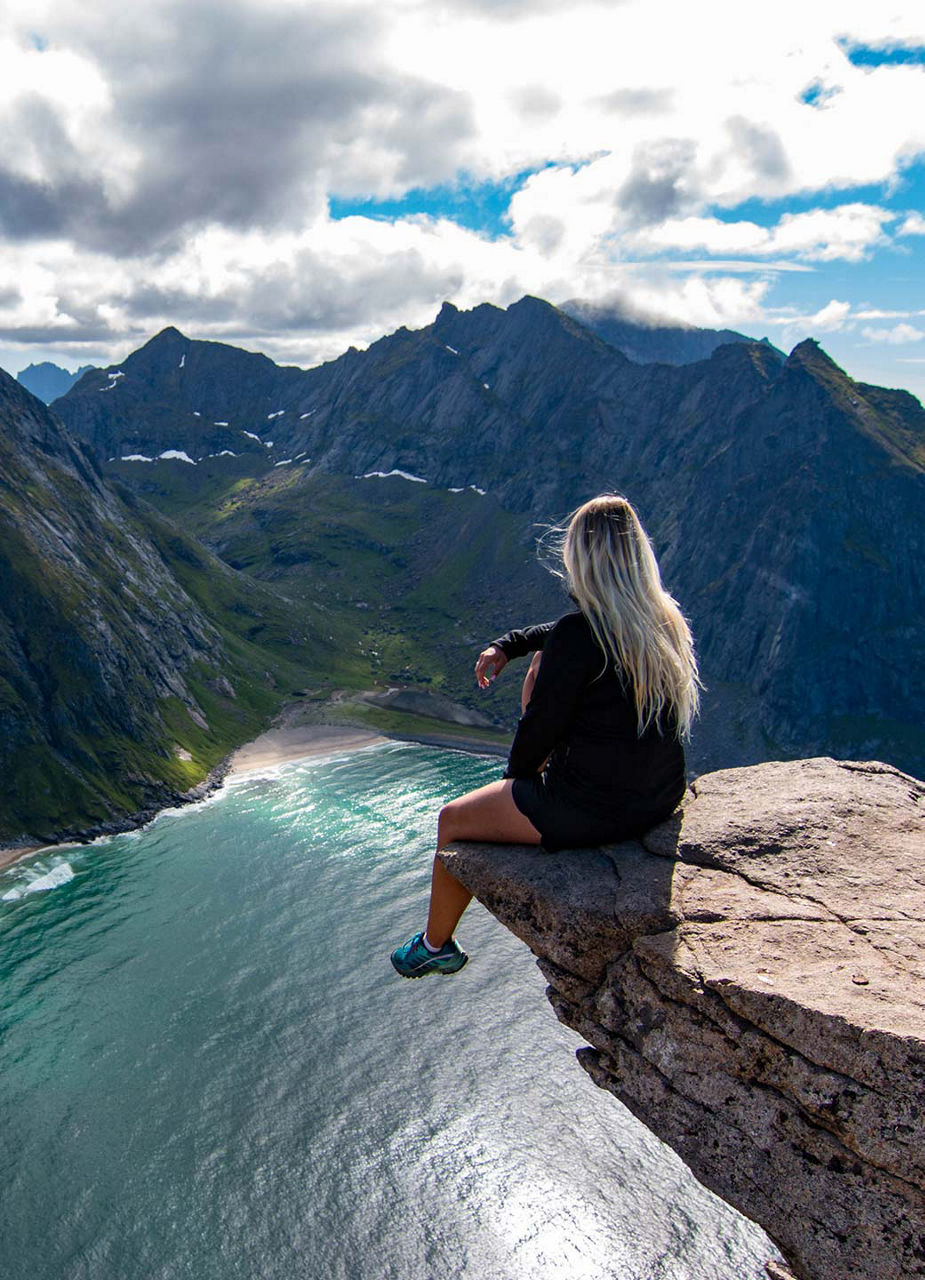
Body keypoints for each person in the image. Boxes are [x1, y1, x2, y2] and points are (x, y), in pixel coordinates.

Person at [390, 493, 700, 979]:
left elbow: (541, 727)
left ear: (581, 559)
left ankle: (435, 944)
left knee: (451, 819)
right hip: (659, 798)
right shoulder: (663, 621)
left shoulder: (580, 638)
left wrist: (517, 785)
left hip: (591, 810)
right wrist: (509, 645)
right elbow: (567, 633)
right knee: (540, 657)